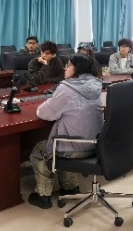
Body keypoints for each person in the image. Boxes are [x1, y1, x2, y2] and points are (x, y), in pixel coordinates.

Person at [28, 54, 103, 209]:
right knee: (65, 141)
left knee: (40, 151)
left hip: (75, 147)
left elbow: (44, 113)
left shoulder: (67, 88)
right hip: (96, 144)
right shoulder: (96, 84)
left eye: (68, 65)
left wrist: (49, 101)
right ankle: (70, 187)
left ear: (77, 69)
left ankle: (43, 195)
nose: (65, 68)